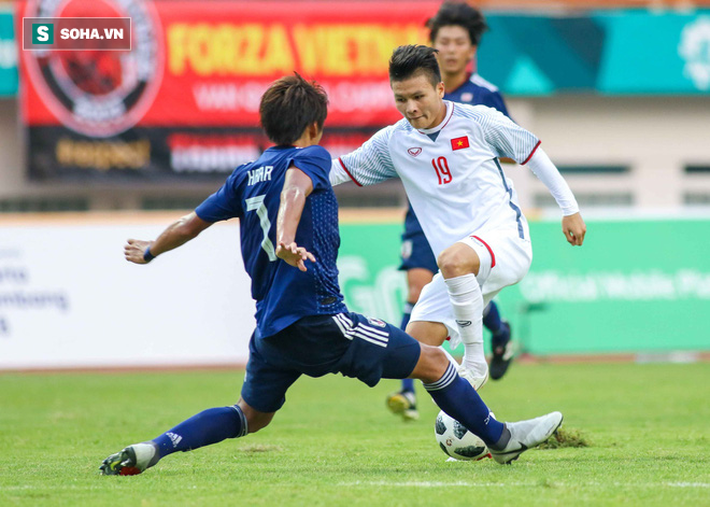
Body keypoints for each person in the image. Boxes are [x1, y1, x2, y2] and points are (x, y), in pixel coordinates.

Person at [99, 74, 563, 475]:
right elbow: (297, 188)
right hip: (322, 319)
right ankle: (500, 440)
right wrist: (285, 235)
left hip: (271, 332)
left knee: (249, 416)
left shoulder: (243, 174)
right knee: (435, 362)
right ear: (314, 126)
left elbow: (191, 223)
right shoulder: (312, 157)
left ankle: (154, 447)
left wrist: (152, 250)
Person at [330, 46, 586, 417]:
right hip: (460, 268)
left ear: (439, 89)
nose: (411, 107)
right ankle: (481, 431)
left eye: (419, 96)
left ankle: (476, 361)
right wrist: (290, 176)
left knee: (452, 260)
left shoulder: (478, 120)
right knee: (417, 351)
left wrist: (570, 209)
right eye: (401, 99)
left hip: (505, 240)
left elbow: (531, 151)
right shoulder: (393, 142)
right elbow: (339, 171)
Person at [389, 2, 516, 421]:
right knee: (417, 287)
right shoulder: (417, 94)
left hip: (472, 220)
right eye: (442, 42)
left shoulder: (482, 98)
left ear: (471, 48)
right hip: (424, 217)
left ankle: (496, 335)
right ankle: (408, 390)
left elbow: (512, 150)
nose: (450, 49)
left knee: (460, 276)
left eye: (458, 42)